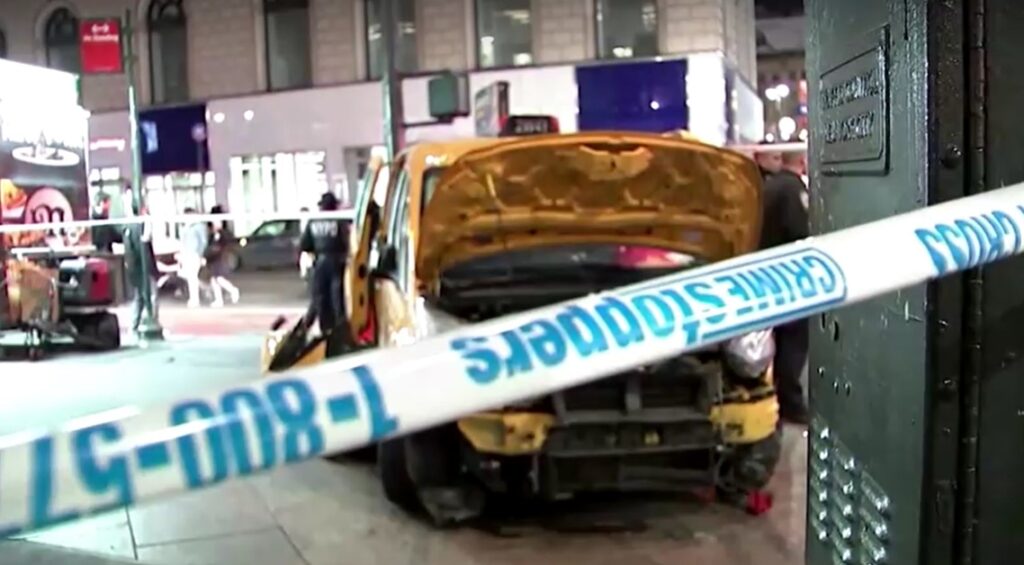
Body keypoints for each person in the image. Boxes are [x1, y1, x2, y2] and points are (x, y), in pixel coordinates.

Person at [761, 151, 810, 425]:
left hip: (766, 273)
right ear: (801, 162)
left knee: (775, 341)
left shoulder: (769, 185)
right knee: (794, 341)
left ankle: (774, 396)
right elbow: (800, 232)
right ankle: (790, 403)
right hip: (790, 277)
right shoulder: (793, 189)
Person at [300, 192, 350, 345]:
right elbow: (346, 242)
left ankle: (325, 330)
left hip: (320, 263)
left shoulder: (314, 221)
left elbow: (305, 244)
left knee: (320, 298)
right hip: (336, 262)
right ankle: (341, 334)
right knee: (337, 298)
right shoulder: (338, 220)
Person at [122, 202, 160, 333]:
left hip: (135, 267)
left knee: (139, 296)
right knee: (152, 294)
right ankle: (152, 320)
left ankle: (134, 325)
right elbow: (145, 246)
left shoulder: (127, 226)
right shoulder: (143, 225)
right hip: (144, 266)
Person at [205, 205, 240, 307]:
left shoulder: (224, 233)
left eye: (217, 221)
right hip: (214, 259)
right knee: (214, 279)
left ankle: (233, 290)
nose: (215, 223)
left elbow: (220, 247)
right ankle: (219, 300)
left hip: (220, 259)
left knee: (219, 278)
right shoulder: (212, 234)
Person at [179, 207, 209, 308]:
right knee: (189, 277)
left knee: (192, 276)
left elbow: (203, 242)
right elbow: (183, 241)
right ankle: (204, 290)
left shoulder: (199, 226)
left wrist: (200, 255)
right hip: (186, 254)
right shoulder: (185, 227)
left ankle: (195, 299)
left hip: (194, 254)